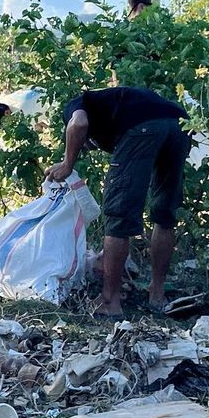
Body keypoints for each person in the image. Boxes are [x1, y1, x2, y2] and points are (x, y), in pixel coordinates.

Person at [46, 86, 189, 318]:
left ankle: (109, 301)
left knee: (118, 215)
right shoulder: (114, 104)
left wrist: (67, 164)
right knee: (164, 214)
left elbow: (79, 124)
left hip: (143, 128)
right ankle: (157, 294)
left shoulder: (77, 104)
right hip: (179, 126)